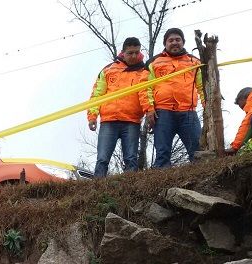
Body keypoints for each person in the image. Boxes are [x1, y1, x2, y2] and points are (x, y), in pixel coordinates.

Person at [87, 37, 150, 177]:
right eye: (130, 53)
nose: (134, 56)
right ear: (123, 53)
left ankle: (129, 191)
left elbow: (146, 94)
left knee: (131, 160)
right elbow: (97, 94)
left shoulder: (144, 71)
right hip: (109, 120)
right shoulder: (108, 70)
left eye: (136, 52)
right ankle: (97, 190)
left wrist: (149, 112)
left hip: (132, 121)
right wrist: (92, 116)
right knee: (102, 159)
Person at [146, 28, 204, 168]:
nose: (174, 43)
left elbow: (202, 87)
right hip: (163, 112)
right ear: (165, 43)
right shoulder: (154, 62)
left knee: (197, 152)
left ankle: (202, 183)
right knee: (162, 153)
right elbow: (146, 87)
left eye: (178, 40)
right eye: (170, 40)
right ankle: (159, 186)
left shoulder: (194, 62)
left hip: (188, 112)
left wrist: (208, 107)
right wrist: (149, 109)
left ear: (183, 42)